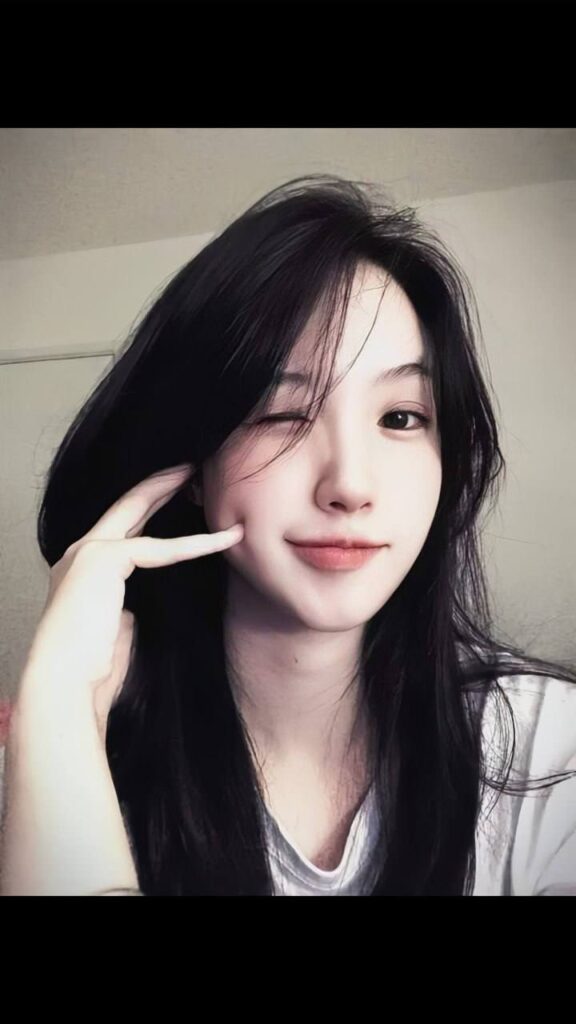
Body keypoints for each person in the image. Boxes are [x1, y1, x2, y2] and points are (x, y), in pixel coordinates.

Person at [1, 174, 575, 896]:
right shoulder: (60, 759)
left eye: (401, 417)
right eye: (282, 414)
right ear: (195, 466)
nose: (351, 485)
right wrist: (56, 706)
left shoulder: (549, 750)